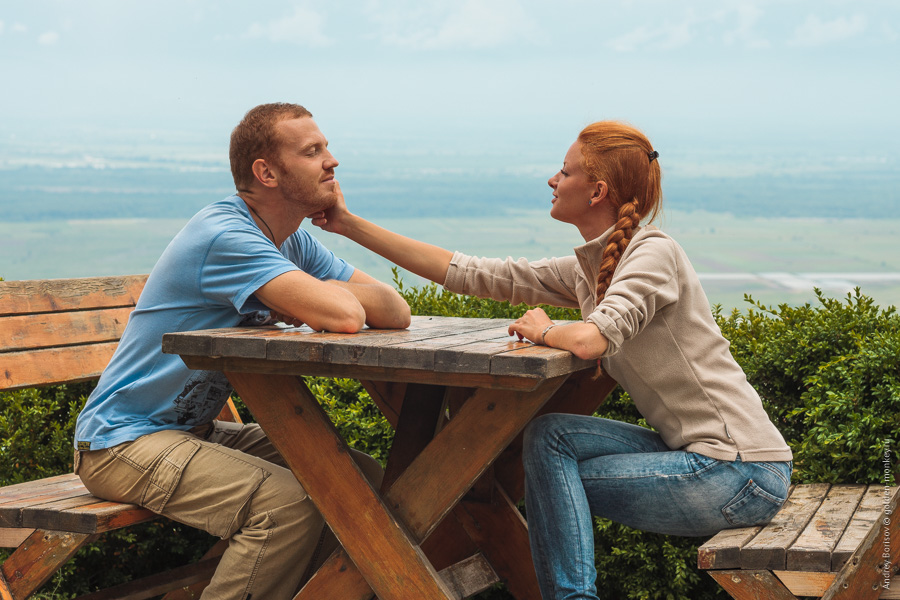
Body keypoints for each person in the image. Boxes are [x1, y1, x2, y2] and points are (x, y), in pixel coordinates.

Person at [311, 120, 793, 599]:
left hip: (741, 472)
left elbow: (591, 340)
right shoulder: (592, 268)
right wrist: (347, 225)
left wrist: (544, 329)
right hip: (701, 459)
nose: (552, 180)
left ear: (597, 190)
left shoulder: (654, 252)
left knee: (550, 482)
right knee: (549, 438)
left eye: (564, 172)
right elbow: (473, 274)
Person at [73, 103, 411, 600]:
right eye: (313, 151)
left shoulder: (289, 242)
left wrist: (322, 283)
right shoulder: (226, 236)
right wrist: (322, 298)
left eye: (325, 148)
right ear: (266, 172)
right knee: (287, 506)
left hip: (194, 432)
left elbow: (394, 310)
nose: (331, 161)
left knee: (360, 481)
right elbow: (346, 317)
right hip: (121, 443)